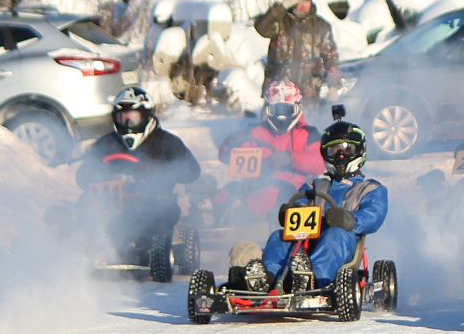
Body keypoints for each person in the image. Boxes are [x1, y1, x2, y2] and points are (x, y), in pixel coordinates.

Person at [243, 116, 388, 292]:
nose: (341, 156)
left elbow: (373, 216)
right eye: (334, 151)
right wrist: (291, 212)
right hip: (307, 241)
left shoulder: (370, 188)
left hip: (343, 244)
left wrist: (348, 219)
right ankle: (268, 277)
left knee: (335, 234)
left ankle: (314, 278)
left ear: (359, 151)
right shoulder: (315, 185)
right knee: (279, 236)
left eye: (347, 149)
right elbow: (301, 202)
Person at [76, 86, 201, 261]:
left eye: (132, 118)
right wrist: (102, 173)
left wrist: (157, 169)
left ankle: (154, 251)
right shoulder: (107, 143)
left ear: (146, 116)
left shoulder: (166, 142)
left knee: (164, 211)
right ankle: (87, 250)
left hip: (154, 206)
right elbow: (82, 176)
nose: (127, 123)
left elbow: (193, 171)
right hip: (112, 207)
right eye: (122, 118)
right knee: (83, 203)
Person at [215, 80, 323, 219]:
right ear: (268, 109)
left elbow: (319, 163)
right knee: (226, 193)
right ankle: (212, 219)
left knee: (269, 193)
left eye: (287, 110)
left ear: (297, 108)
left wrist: (291, 158)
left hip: (296, 190)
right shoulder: (254, 131)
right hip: (253, 185)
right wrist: (230, 143)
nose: (281, 116)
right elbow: (225, 158)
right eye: (277, 110)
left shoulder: (309, 134)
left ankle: (251, 221)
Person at [254, 0, 341, 108]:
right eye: (298, 2)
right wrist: (281, 7)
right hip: (278, 92)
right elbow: (261, 28)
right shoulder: (280, 21)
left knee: (306, 121)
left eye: (306, 1)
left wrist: (334, 86)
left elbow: (331, 57)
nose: (303, 5)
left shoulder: (320, 26)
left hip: (308, 94)